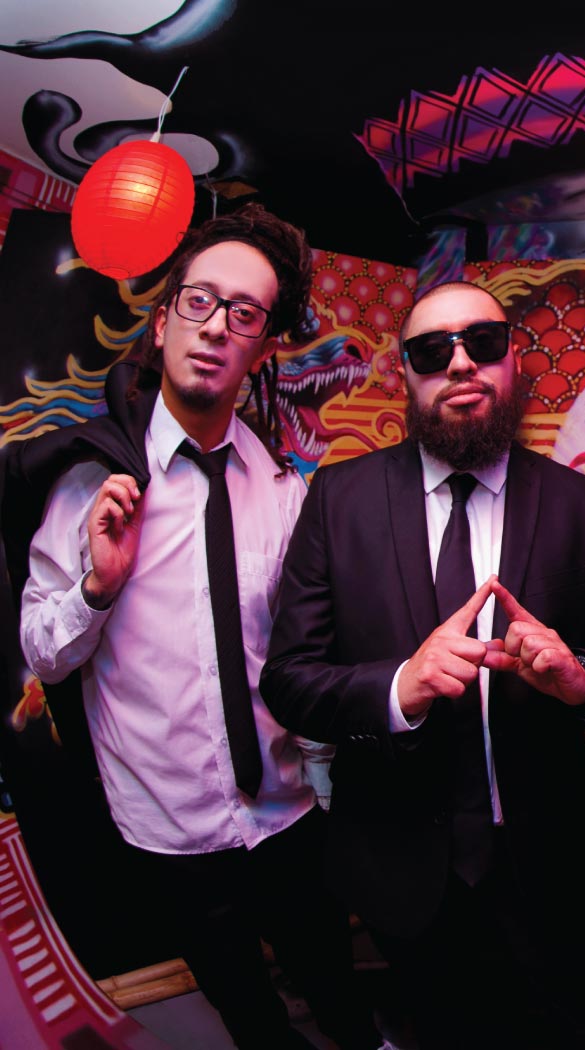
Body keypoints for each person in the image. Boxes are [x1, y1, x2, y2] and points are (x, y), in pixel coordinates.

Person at [14, 204, 382, 1050]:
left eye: (245, 313)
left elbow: (300, 653)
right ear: (163, 318)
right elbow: (43, 652)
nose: (217, 326)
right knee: (248, 1011)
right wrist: (97, 588)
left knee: (333, 982)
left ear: (264, 347)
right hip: (169, 828)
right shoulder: (89, 484)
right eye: (200, 301)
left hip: (287, 813)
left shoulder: (284, 492)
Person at [260, 280, 585, 1049]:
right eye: (433, 351)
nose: (462, 364)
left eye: (484, 342)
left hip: (549, 866)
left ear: (513, 361)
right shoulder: (338, 500)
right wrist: (398, 687)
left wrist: (583, 680)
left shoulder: (582, 506)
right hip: (400, 869)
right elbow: (289, 679)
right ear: (404, 373)